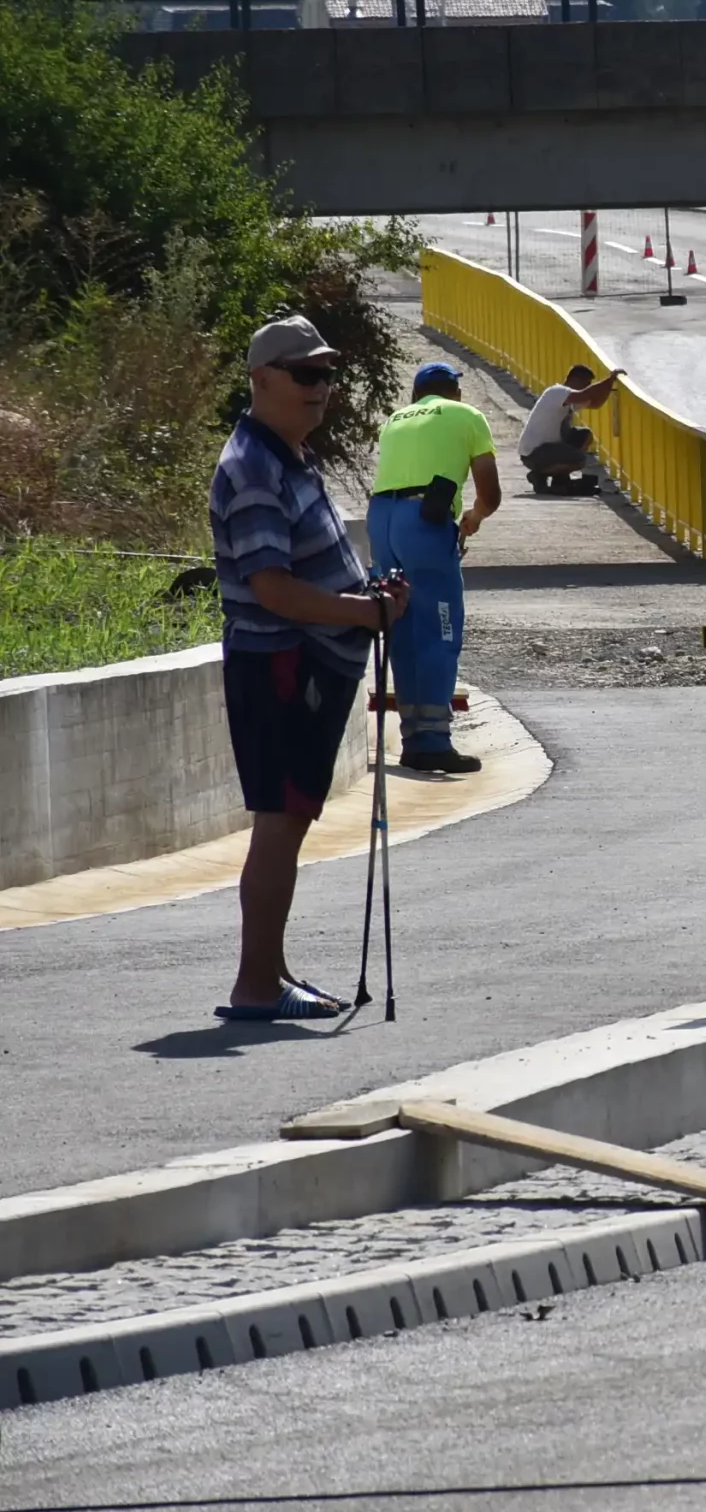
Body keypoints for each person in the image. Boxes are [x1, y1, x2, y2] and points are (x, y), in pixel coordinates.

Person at [209, 315, 410, 1022]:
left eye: (326, 373)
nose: (320, 388)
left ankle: (272, 973)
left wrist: (367, 597)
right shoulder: (255, 467)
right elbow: (272, 587)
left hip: (297, 665)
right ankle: (257, 985)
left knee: (285, 819)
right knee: (281, 820)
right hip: (281, 668)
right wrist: (362, 614)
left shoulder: (286, 454)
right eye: (306, 374)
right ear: (262, 379)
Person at [368, 363, 499, 775]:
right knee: (441, 629)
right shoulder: (467, 416)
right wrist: (473, 519)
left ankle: (413, 737)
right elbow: (490, 493)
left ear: (415, 396)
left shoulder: (393, 421)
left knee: (402, 625)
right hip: (424, 520)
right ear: (455, 392)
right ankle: (433, 743)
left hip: (382, 520)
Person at [520, 363, 620, 493]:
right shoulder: (556, 392)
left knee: (584, 436)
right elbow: (584, 395)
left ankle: (559, 479)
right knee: (578, 459)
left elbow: (595, 404)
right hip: (534, 453)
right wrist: (609, 379)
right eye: (586, 384)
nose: (587, 387)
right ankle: (540, 475)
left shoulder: (568, 400)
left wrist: (608, 386)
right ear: (575, 380)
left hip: (548, 449)